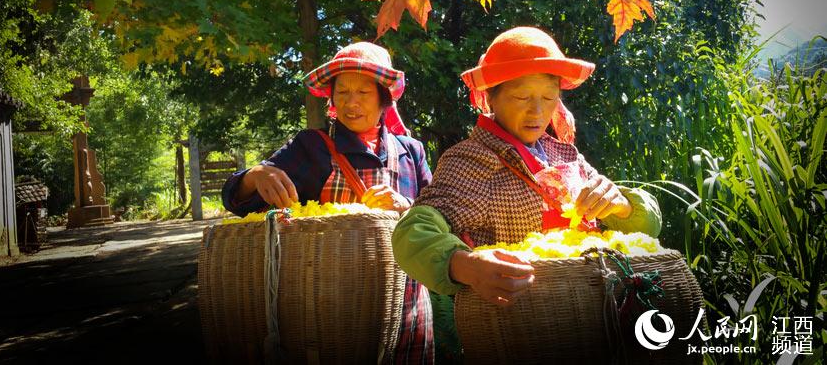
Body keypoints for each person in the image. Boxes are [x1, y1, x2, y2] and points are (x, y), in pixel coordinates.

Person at [391, 26, 662, 355]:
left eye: (548, 97)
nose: (537, 111)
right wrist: (466, 265)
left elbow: (649, 225)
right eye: (521, 97)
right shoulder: (472, 160)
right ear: (492, 96)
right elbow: (413, 231)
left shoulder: (565, 154)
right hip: (512, 332)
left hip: (590, 324)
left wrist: (623, 206)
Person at [222, 41, 434, 364]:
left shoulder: (411, 152)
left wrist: (407, 206)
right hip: (335, 312)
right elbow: (235, 199)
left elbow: (438, 218)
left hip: (408, 309)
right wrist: (256, 175)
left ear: (383, 98)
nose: (351, 103)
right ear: (332, 98)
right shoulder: (311, 147)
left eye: (363, 93)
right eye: (343, 92)